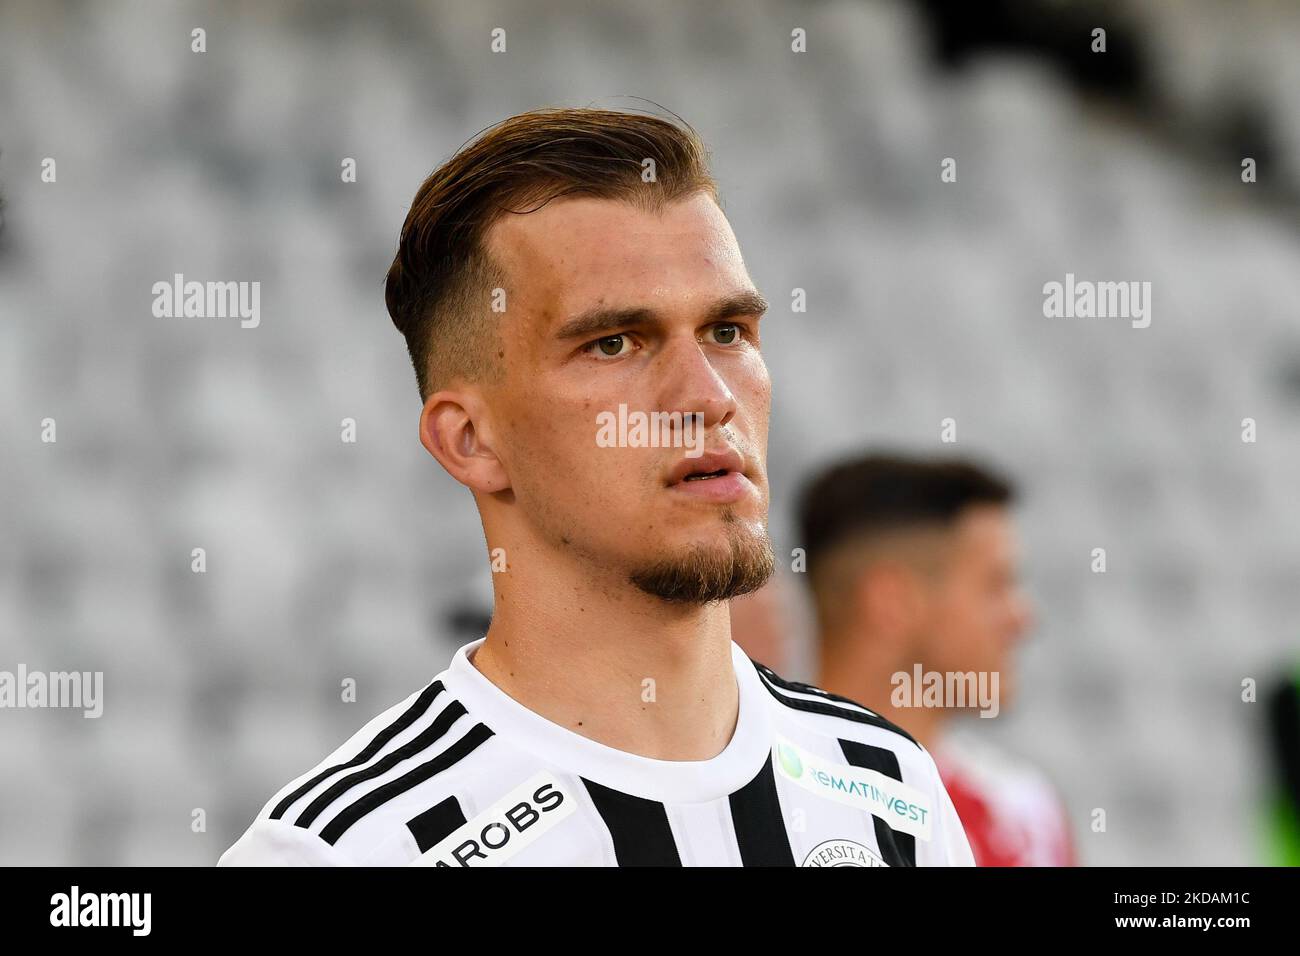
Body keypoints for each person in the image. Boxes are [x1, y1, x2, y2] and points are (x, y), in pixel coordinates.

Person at [219, 109, 972, 867]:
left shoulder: (888, 786)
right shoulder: (349, 852)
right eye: (614, 343)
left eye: (727, 331)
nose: (709, 397)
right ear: (469, 441)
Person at [799, 454, 1075, 866]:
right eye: (995, 585)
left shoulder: (1024, 814)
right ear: (893, 602)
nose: (1023, 618)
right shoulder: (754, 788)